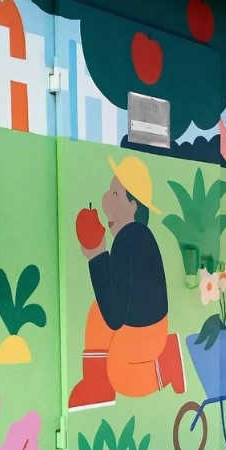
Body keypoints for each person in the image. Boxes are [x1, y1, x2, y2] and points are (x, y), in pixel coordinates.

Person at [68, 155, 184, 410]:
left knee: (120, 375)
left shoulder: (128, 241)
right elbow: (113, 297)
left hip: (145, 332)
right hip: (143, 323)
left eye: (115, 194)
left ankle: (167, 364)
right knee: (96, 312)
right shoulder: (136, 236)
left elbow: (114, 318)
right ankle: (96, 383)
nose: (105, 200)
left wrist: (96, 254)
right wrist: (98, 254)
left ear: (133, 205)